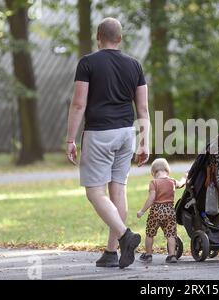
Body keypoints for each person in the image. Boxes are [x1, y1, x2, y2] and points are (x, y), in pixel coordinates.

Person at [65, 17, 150, 269]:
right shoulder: (134, 65)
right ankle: (112, 253)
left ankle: (125, 236)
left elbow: (79, 103)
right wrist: (145, 142)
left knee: (95, 192)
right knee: (118, 190)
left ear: (98, 37)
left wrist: (70, 138)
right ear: (120, 39)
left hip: (100, 133)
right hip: (126, 133)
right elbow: (143, 109)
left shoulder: (88, 63)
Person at [136, 159, 187, 264]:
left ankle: (148, 255)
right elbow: (181, 184)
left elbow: (151, 198)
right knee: (171, 234)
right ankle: (172, 255)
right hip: (169, 211)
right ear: (167, 171)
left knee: (150, 233)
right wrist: (185, 177)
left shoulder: (154, 182)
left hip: (156, 211)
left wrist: (142, 211)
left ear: (153, 173)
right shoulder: (172, 181)